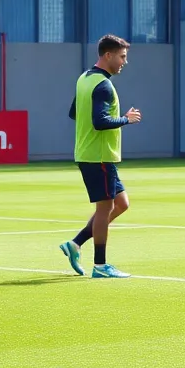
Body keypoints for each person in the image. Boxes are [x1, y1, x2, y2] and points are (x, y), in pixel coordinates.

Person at [59, 34, 141, 279]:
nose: (124, 62)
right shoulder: (104, 86)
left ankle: (75, 243)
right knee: (105, 209)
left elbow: (74, 113)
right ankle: (101, 266)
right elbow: (100, 121)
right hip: (98, 156)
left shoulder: (85, 78)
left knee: (122, 204)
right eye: (122, 56)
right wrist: (126, 119)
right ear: (108, 55)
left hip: (93, 154)